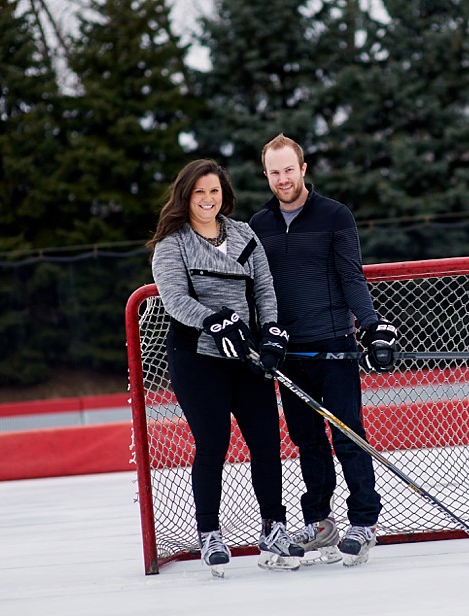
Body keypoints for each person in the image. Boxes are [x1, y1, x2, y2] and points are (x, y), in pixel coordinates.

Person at [147, 158, 304, 576]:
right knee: (213, 445)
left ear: (224, 194)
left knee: (267, 444)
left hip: (246, 358)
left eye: (214, 191)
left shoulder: (243, 234)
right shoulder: (173, 243)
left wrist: (270, 333)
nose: (207, 199)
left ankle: (273, 528)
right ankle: (210, 535)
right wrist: (213, 320)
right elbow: (175, 299)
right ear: (186, 196)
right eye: (199, 192)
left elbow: (265, 289)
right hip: (199, 359)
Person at [249, 134, 398, 567]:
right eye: (274, 172)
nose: (282, 179)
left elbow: (352, 277)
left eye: (288, 169)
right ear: (267, 175)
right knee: (307, 439)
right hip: (289, 353)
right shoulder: (259, 225)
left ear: (303, 168)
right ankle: (319, 521)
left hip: (334, 346)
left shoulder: (335, 215)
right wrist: (264, 336)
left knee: (347, 432)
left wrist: (370, 327)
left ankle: (364, 521)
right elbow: (257, 288)